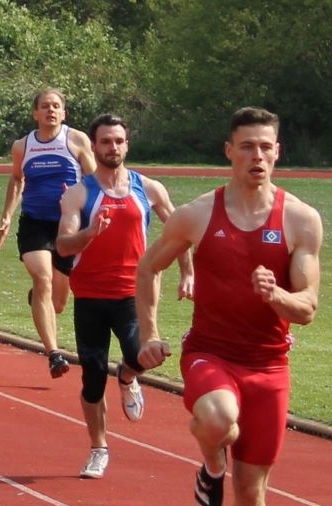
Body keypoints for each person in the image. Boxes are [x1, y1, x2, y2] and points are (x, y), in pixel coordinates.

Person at [136, 106, 323, 506]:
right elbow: (149, 266)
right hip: (210, 354)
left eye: (265, 147)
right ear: (229, 152)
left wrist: (276, 294)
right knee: (218, 418)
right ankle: (211, 462)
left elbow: (307, 308)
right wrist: (149, 333)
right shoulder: (197, 214)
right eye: (247, 146)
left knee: (252, 490)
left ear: (277, 153)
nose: (256, 156)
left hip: (268, 365)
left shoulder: (300, 220)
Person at [56, 114, 193, 479]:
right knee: (92, 378)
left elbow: (179, 232)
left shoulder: (148, 188)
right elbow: (63, 245)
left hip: (133, 295)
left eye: (118, 141)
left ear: (126, 145)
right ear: (94, 146)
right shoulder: (78, 193)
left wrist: (188, 272)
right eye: (105, 141)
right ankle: (98, 448)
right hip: (90, 297)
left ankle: (128, 375)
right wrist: (90, 232)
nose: (112, 147)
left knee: (143, 356)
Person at [0, 88, 96, 379]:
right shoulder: (22, 146)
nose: (51, 110)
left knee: (59, 303)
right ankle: (54, 354)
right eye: (45, 106)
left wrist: (82, 200)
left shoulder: (76, 140)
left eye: (56, 106)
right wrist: (7, 215)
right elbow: (17, 179)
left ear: (63, 113)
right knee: (43, 278)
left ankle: (39, 297)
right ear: (35, 113)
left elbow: (94, 180)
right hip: (35, 224)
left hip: (67, 226)